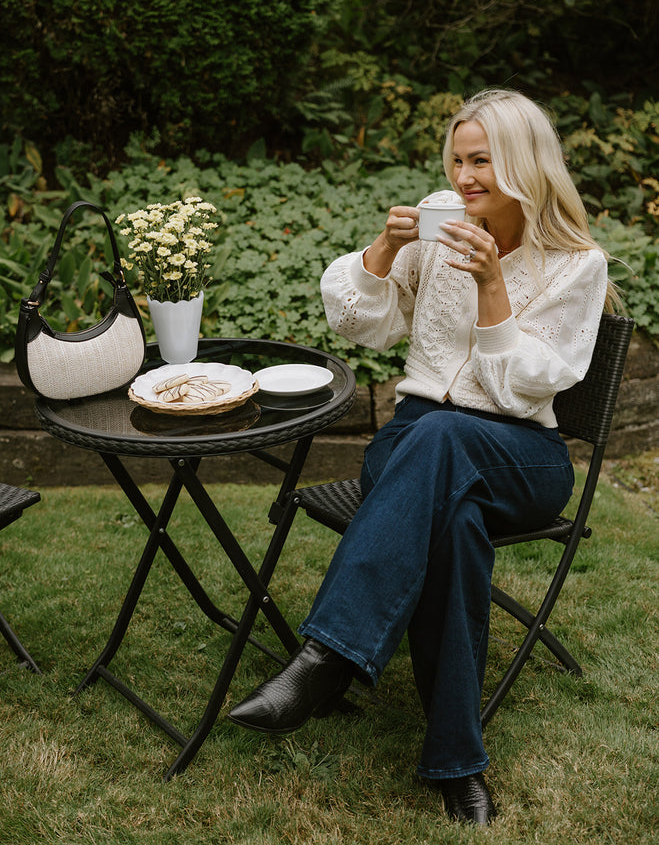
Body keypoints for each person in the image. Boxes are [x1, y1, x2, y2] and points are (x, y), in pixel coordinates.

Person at [228, 89, 612, 826]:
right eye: (458, 159)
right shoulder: (440, 221)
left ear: (525, 166)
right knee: (452, 523)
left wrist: (493, 288)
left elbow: (527, 383)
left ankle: (327, 660)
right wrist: (383, 252)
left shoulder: (574, 264)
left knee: (445, 441)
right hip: (412, 443)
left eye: (483, 161)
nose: (465, 177)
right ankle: (455, 763)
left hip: (521, 454)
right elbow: (359, 326)